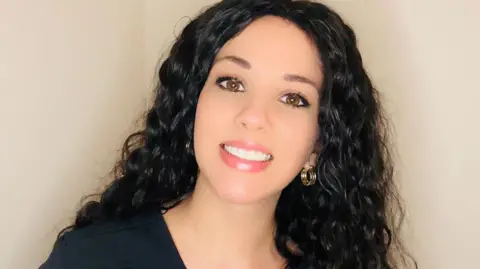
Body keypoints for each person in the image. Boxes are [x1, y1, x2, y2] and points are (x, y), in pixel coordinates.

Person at [40, 0, 417, 268]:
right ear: (192, 109)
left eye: (293, 98)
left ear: (318, 145)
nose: (253, 116)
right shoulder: (88, 259)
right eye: (232, 82)